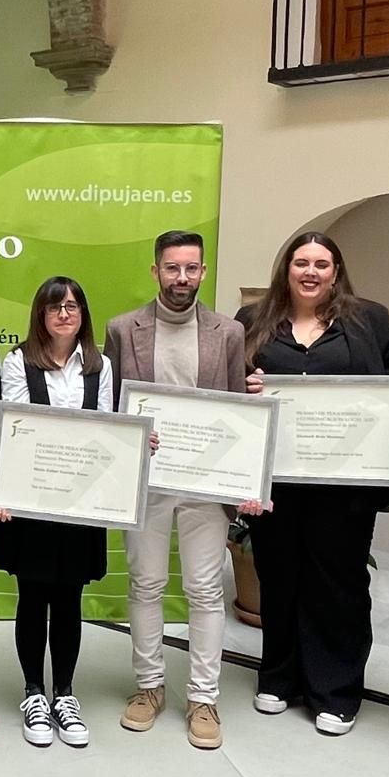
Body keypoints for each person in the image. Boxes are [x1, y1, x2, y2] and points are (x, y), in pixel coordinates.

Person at [237, 231, 389, 736]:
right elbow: (228, 392)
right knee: (279, 579)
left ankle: (335, 691)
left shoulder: (369, 319)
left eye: (322, 263)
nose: (311, 272)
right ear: (287, 269)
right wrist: (246, 387)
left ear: (336, 272)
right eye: (301, 262)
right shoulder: (252, 321)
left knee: (338, 584)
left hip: (346, 484)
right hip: (276, 481)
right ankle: (278, 678)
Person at [103, 230, 255, 750]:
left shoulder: (228, 332)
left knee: (205, 590)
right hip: (147, 481)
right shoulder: (123, 330)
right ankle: (148, 689)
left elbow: (239, 410)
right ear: (155, 271)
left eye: (191, 268)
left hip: (206, 484)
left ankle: (203, 696)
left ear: (204, 272)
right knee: (145, 585)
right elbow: (111, 405)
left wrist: (245, 482)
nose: (182, 278)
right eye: (172, 268)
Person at [0, 276, 114, 749]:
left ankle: (65, 693)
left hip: (80, 502)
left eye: (73, 306)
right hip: (32, 500)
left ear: (83, 314)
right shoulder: (18, 361)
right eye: (54, 306)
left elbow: (106, 430)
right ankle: (33, 693)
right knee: (33, 595)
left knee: (69, 598)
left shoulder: (102, 366)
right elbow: (15, 430)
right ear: (40, 315)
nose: (64, 313)